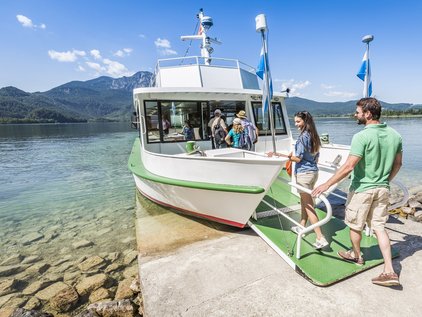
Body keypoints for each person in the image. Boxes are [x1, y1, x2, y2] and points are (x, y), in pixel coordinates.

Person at [312, 97, 403, 286]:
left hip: (362, 190)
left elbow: (348, 167)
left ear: (368, 114)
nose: (355, 115)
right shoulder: (396, 135)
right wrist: (385, 181)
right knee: (379, 227)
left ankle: (356, 255)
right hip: (382, 189)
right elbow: (398, 164)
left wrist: (326, 184)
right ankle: (389, 270)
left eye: (357, 112)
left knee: (355, 226)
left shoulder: (361, 136)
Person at [267, 111, 327, 249]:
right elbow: (316, 157)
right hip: (313, 172)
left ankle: (320, 237)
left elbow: (298, 158)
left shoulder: (302, 138)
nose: (296, 124)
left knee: (308, 205)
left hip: (303, 174)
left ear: (305, 122)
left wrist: (279, 154)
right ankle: (301, 225)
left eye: (298, 122)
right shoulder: (314, 136)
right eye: (295, 121)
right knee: (305, 202)